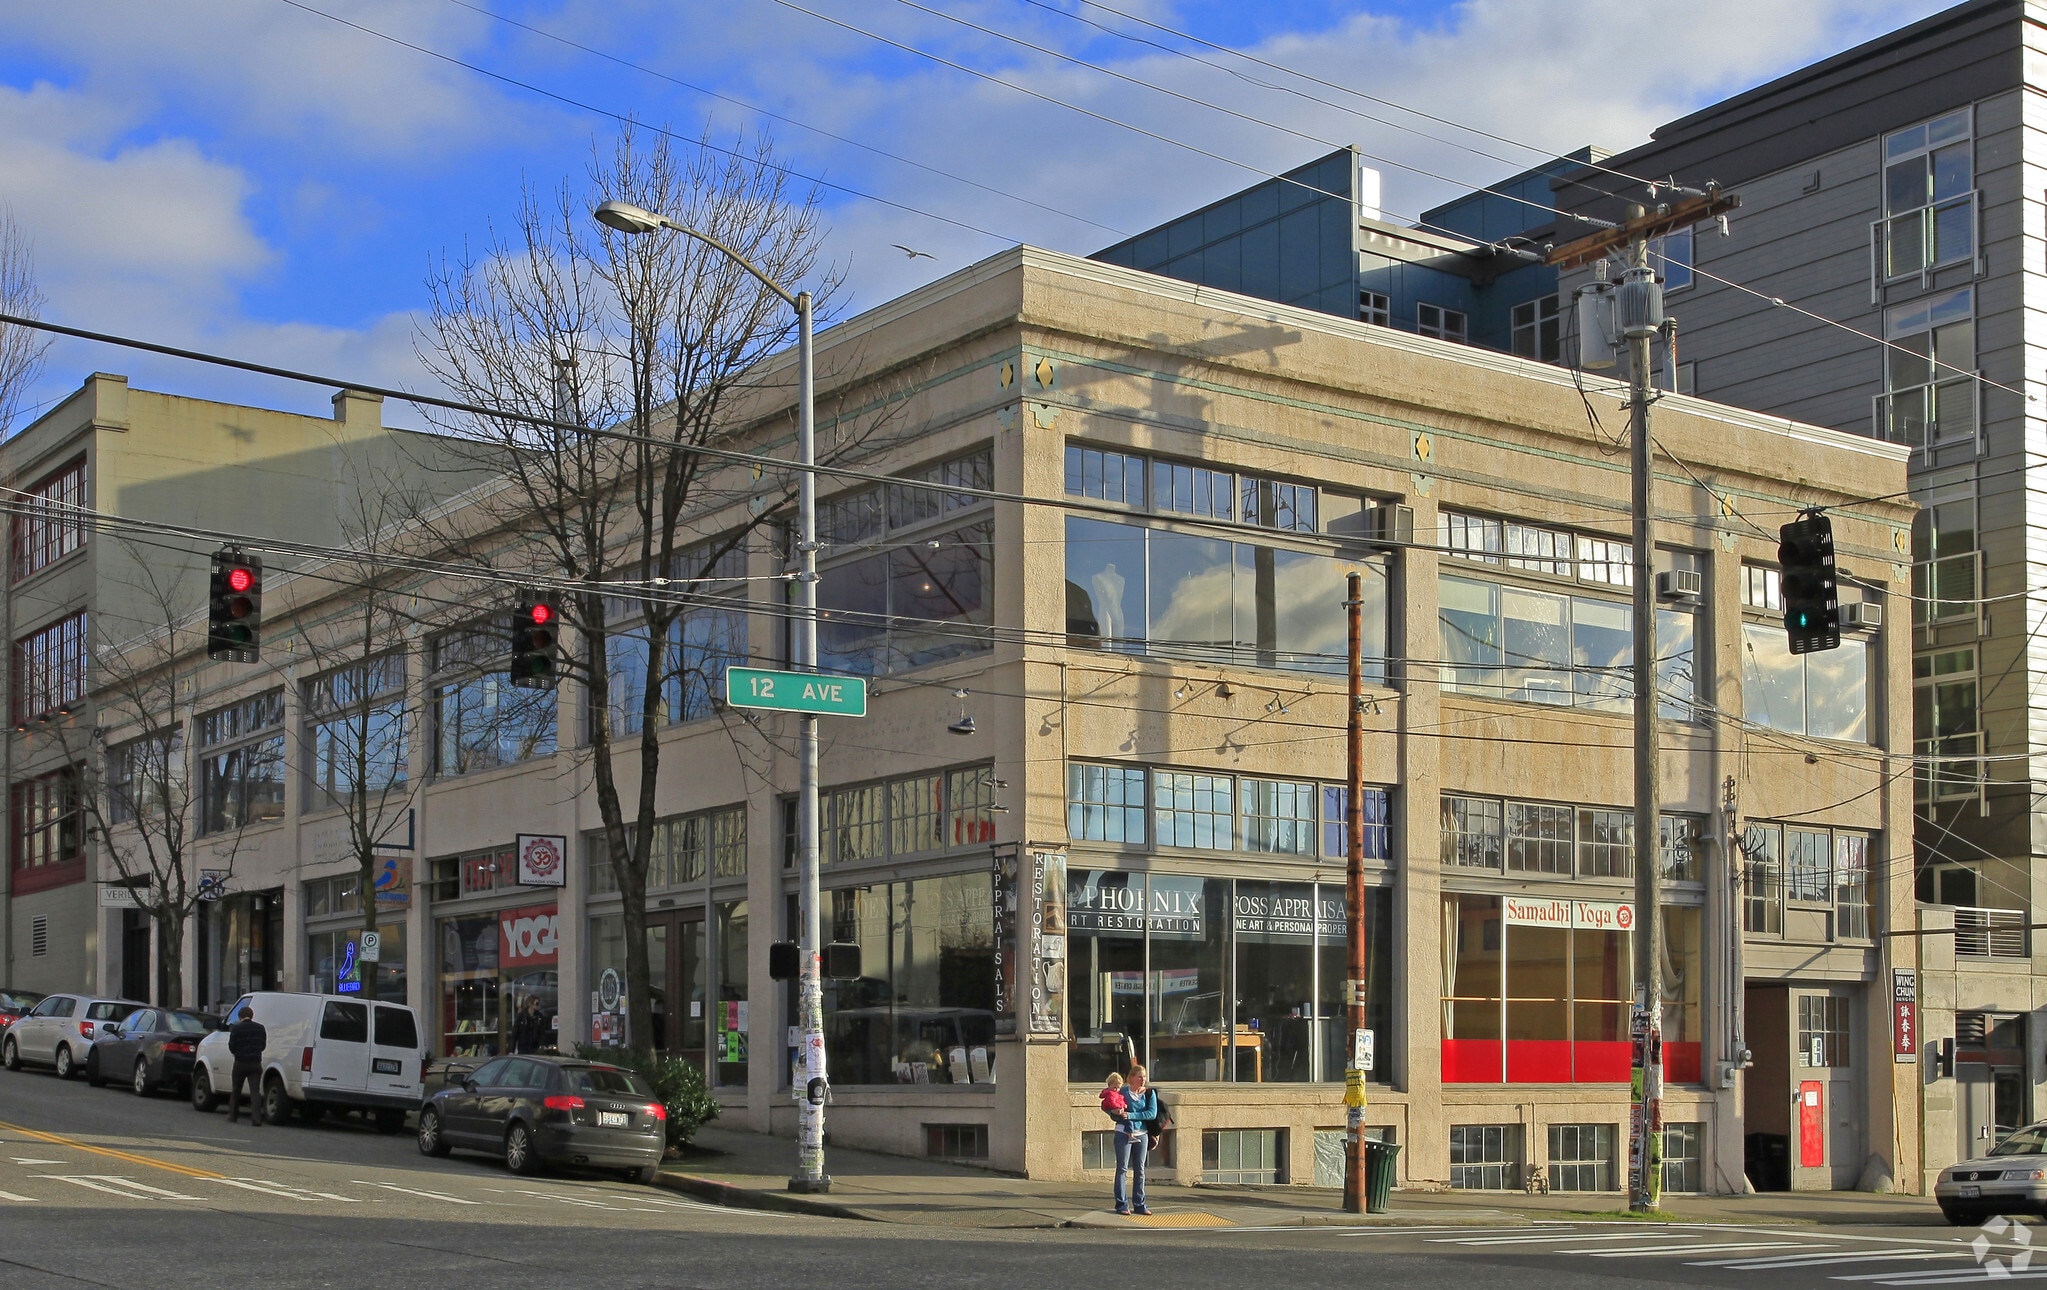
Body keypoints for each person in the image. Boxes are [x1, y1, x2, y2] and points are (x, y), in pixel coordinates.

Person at [1114, 1064, 1160, 1217]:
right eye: (1140, 1077)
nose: (1143, 1080)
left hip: (1142, 1134)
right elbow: (1111, 1107)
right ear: (1131, 1078)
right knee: (1122, 1169)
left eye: (1144, 1077)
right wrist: (1117, 1112)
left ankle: (1140, 1205)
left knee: (1140, 1170)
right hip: (1123, 1133)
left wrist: (1131, 1115)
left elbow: (1151, 1114)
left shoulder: (1149, 1093)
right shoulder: (1123, 1091)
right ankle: (1121, 1205)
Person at [226, 1004, 268, 1126]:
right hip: (255, 1062)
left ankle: (233, 1115)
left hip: (240, 1062)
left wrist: (238, 1052)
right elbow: (263, 1045)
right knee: (255, 1091)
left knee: (236, 1089)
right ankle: (256, 1118)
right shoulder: (260, 1028)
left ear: (240, 1017)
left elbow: (231, 1046)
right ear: (251, 1015)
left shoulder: (236, 1028)